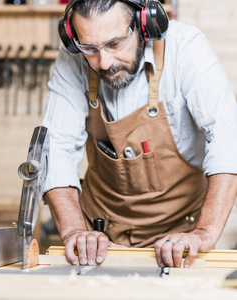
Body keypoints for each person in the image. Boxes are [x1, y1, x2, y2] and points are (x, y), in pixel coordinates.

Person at [42, 0, 237, 268]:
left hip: (181, 240)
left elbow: (228, 138)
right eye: (90, 49)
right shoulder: (72, 59)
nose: (105, 62)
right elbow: (56, 149)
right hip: (98, 240)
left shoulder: (185, 47)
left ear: (144, 24)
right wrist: (75, 231)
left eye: (114, 44)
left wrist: (205, 233)